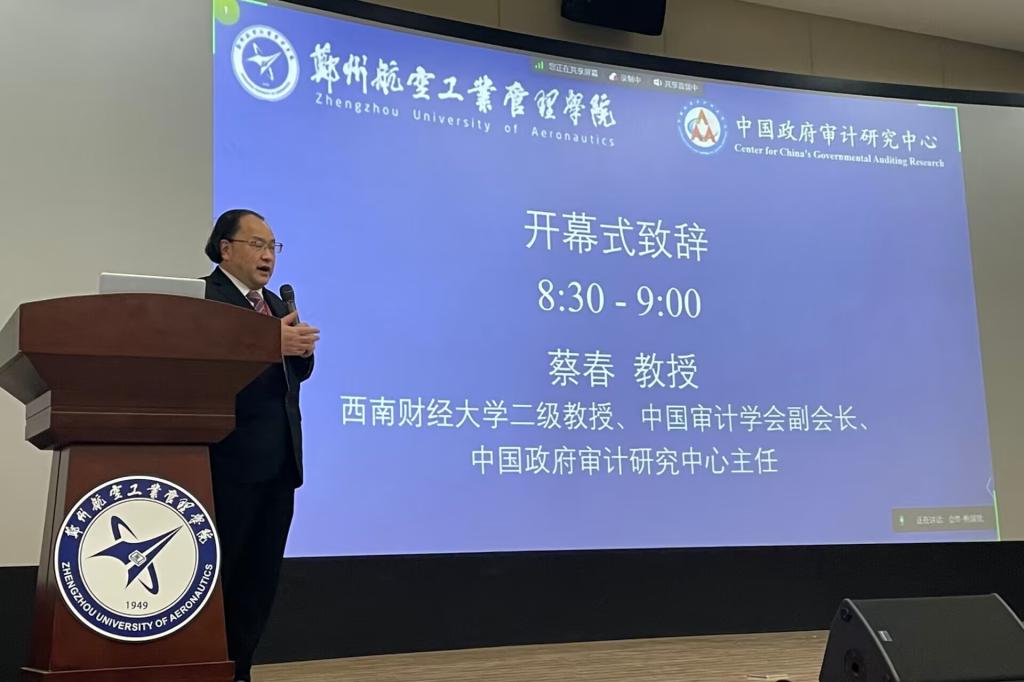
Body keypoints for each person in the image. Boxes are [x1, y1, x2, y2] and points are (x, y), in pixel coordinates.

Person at [202, 208, 319, 682]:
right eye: (257, 244)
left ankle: (240, 669)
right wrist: (271, 342)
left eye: (273, 246)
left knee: (259, 578)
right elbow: (207, 356)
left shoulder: (274, 303)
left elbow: (288, 377)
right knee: (221, 574)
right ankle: (208, 665)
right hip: (227, 462)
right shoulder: (204, 299)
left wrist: (301, 351)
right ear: (225, 248)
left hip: (279, 462)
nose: (268, 254)